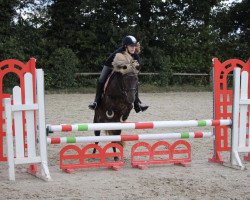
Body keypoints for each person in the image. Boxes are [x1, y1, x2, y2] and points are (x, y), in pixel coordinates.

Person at [88, 35, 148, 113]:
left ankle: (137, 103)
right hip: (110, 65)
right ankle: (96, 102)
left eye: (134, 46)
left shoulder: (135, 55)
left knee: (134, 81)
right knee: (101, 79)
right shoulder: (119, 52)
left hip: (124, 68)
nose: (133, 48)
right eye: (131, 46)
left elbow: (137, 66)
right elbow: (118, 66)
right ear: (125, 46)